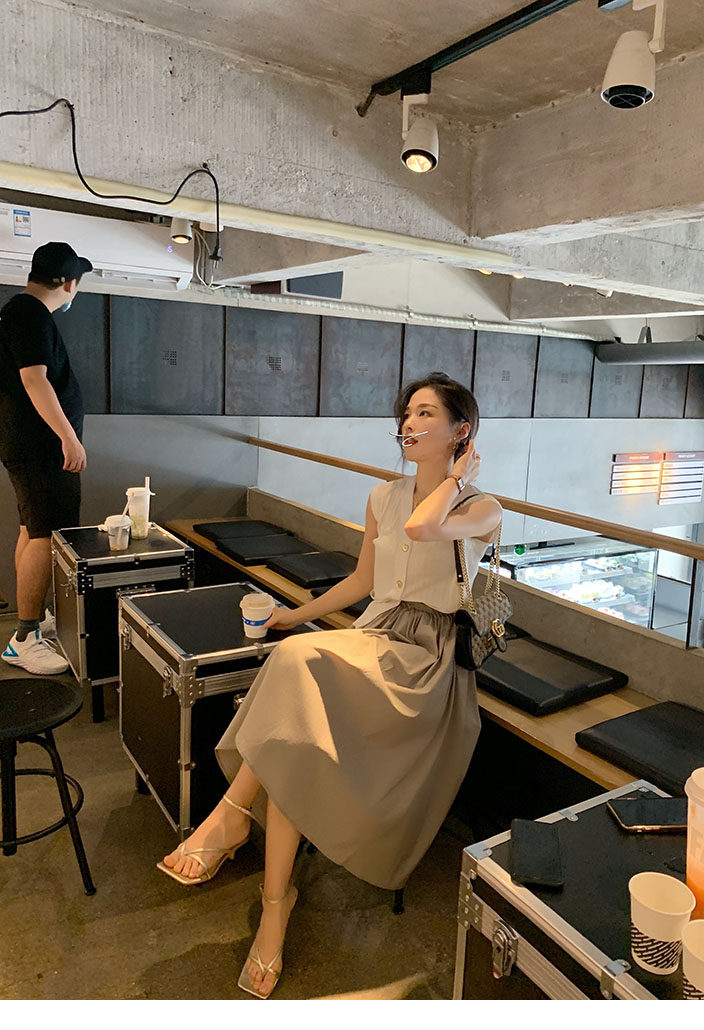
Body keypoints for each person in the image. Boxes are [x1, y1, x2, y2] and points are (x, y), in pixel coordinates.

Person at [158, 371, 503, 999]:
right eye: (406, 413)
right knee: (295, 736)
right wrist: (294, 616)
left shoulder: (480, 507)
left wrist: (455, 477)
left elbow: (425, 529)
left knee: (297, 675)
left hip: (425, 666)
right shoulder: (382, 497)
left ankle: (231, 818)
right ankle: (274, 906)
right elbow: (363, 582)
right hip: (376, 639)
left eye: (426, 414)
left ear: (462, 431)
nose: (409, 423)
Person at [0, 241, 92, 674]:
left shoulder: (18, 313)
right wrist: (68, 438)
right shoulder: (30, 314)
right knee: (45, 536)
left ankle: (33, 621)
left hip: (28, 445)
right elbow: (35, 380)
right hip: (40, 448)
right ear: (68, 283)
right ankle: (24, 638)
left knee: (32, 530)